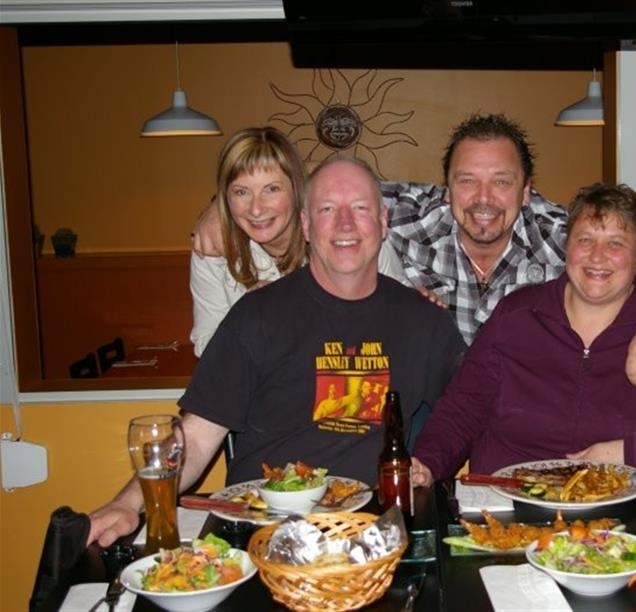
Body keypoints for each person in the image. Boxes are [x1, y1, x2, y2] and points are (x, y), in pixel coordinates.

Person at [88, 157, 465, 548]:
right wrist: (128, 503)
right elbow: (198, 437)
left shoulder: (426, 323)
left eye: (360, 209)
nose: (345, 224)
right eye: (327, 210)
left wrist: (434, 464)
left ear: (383, 222)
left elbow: (471, 412)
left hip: (370, 538)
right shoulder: (255, 316)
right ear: (304, 225)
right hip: (259, 535)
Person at [194, 114, 636, 386]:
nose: (483, 200)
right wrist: (222, 209)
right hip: (422, 406)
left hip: (524, 412)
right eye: (467, 182)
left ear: (527, 191)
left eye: (502, 183)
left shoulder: (563, 235)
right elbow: (312, 192)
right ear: (445, 187)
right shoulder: (403, 210)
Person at [410, 183, 636, 484]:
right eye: (585, 240)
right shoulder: (517, 316)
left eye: (616, 243)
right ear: (566, 247)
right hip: (511, 511)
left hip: (626, 517)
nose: (597, 257)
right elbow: (462, 409)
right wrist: (426, 464)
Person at [190, 126, 407, 356]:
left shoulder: (348, 241)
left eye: (271, 189)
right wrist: (248, 316)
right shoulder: (212, 250)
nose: (256, 209)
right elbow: (205, 347)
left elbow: (399, 321)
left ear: (296, 190)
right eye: (241, 192)